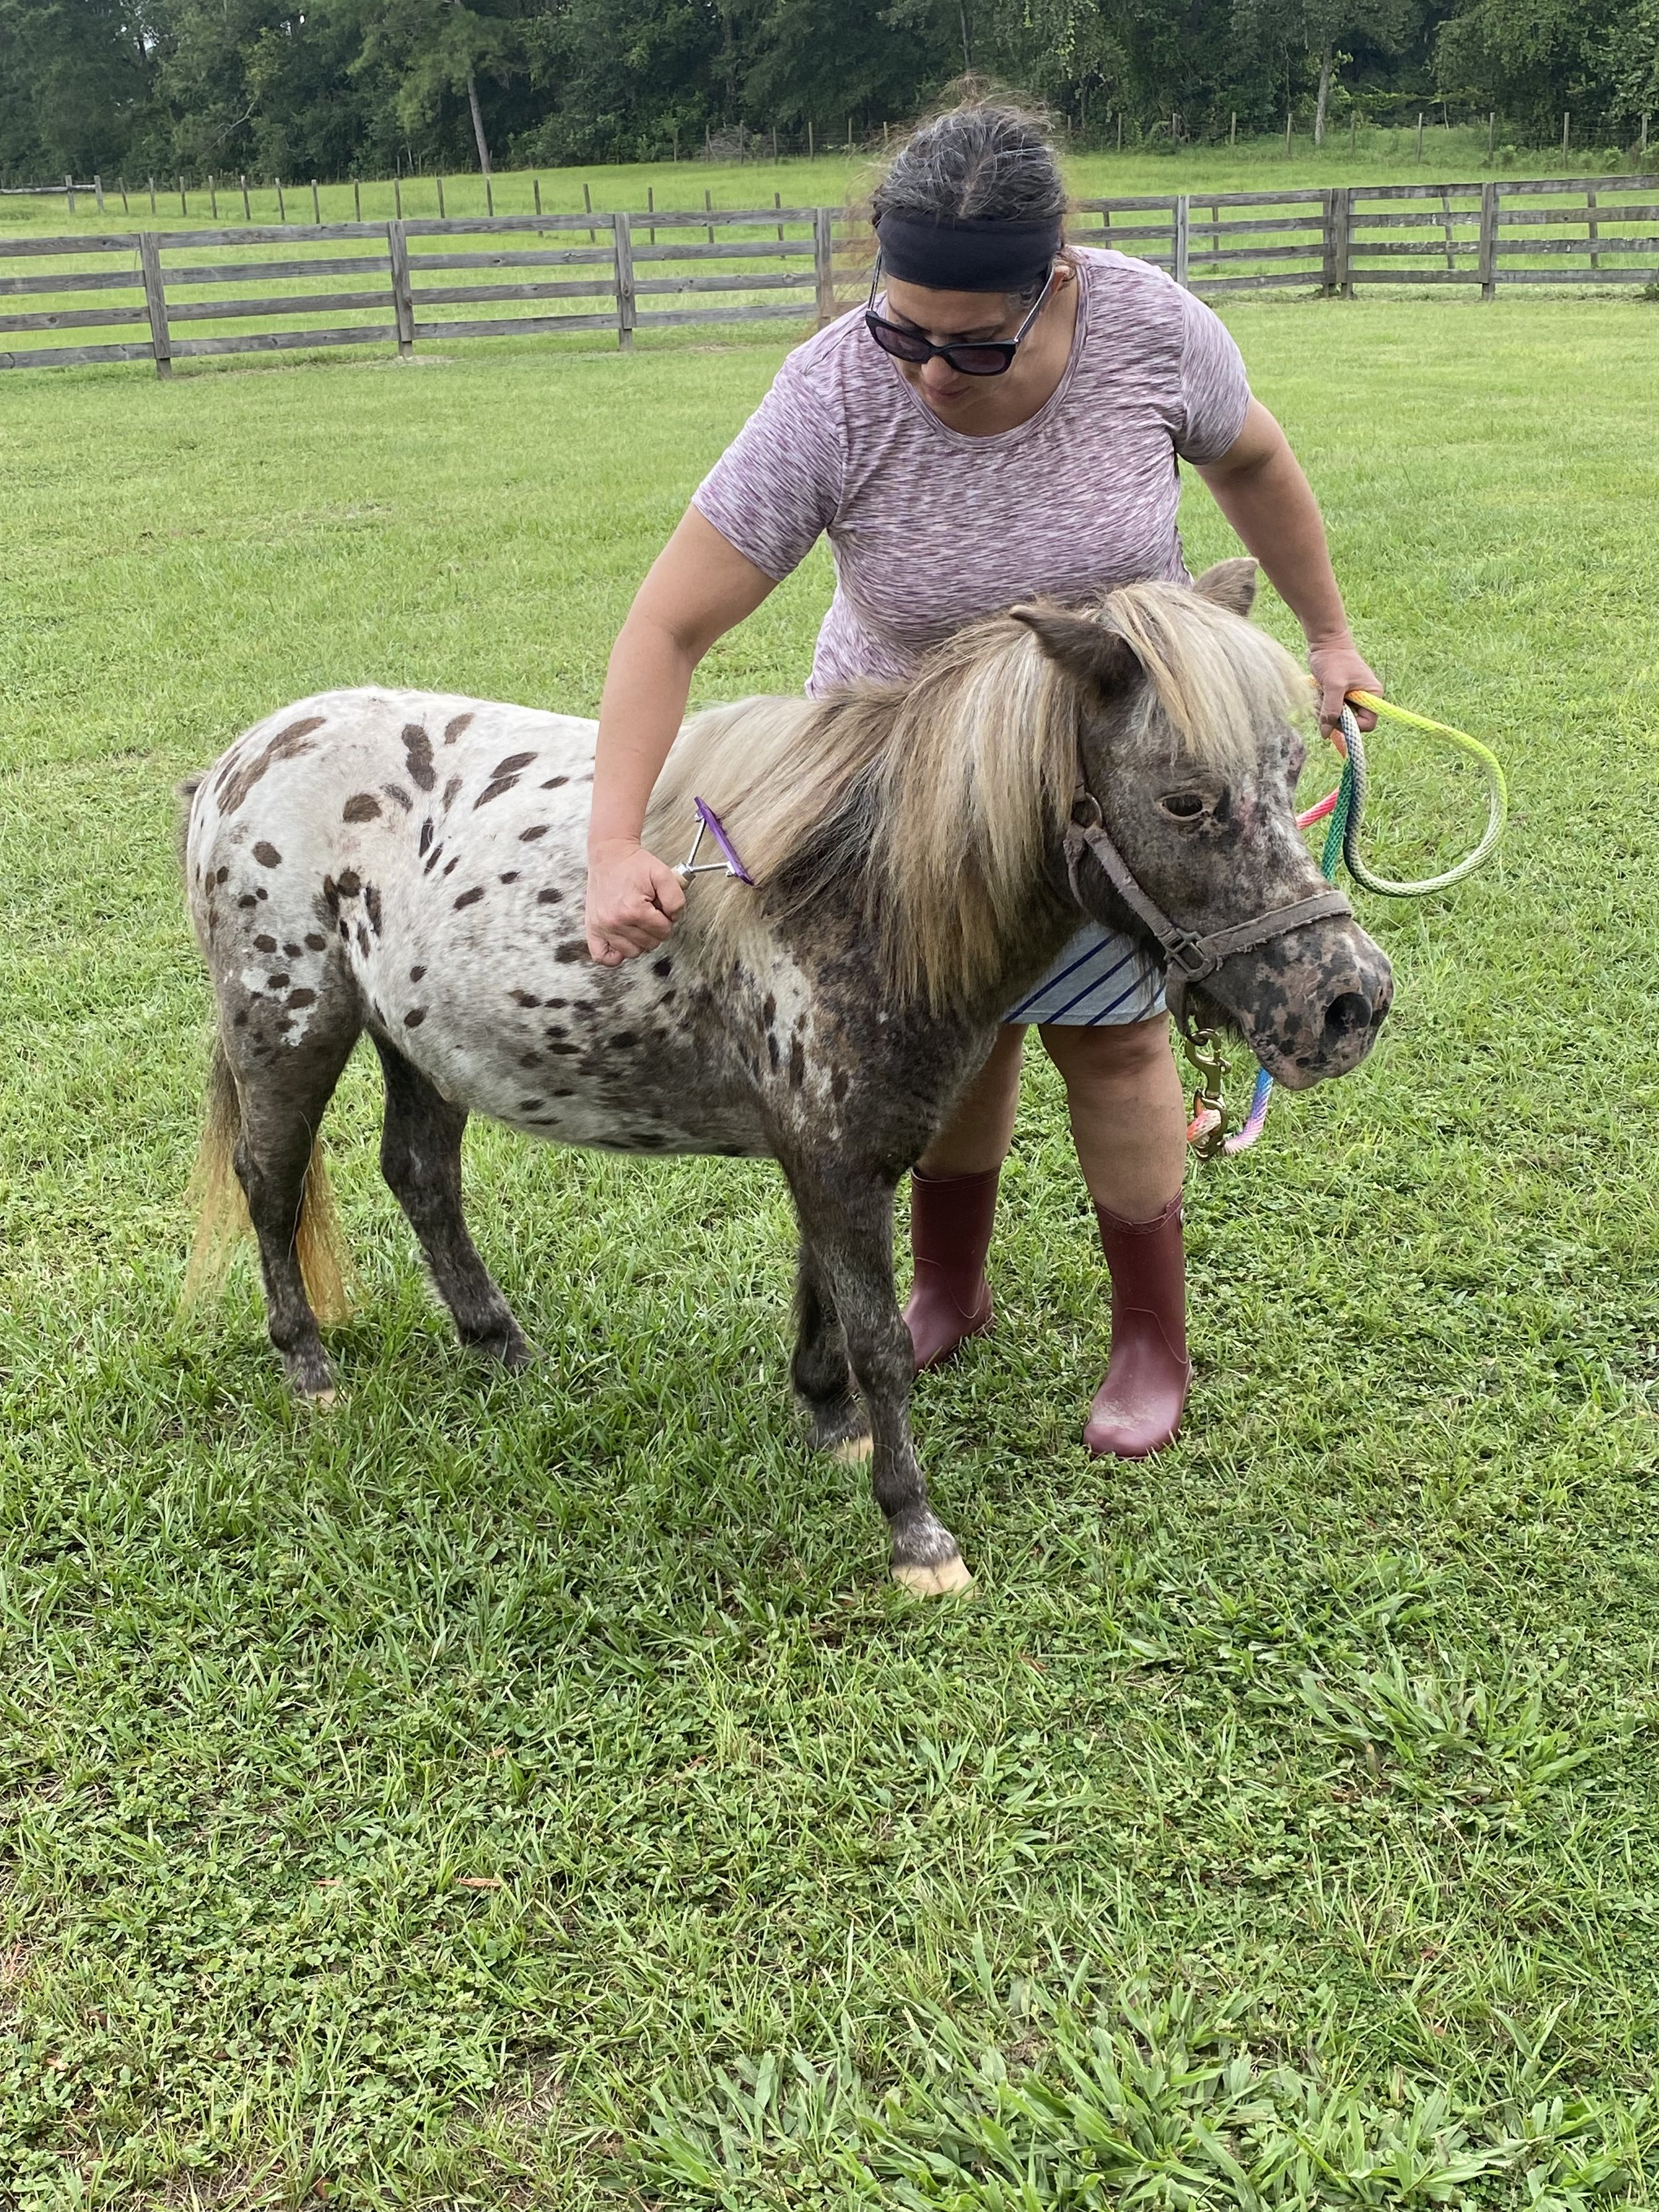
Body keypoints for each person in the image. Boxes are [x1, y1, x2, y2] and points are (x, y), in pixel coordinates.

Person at [583, 94, 1379, 1459]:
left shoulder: (1146, 332)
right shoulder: (837, 388)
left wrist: (1325, 634)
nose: (928, 373)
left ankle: (1148, 1338)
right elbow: (668, 623)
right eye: (903, 329)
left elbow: (1252, 458)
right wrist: (611, 840)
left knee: (1115, 1039)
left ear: (1053, 281)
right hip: (908, 783)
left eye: (970, 341)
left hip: (1111, 768)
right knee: (942, 1042)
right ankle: (946, 1286)